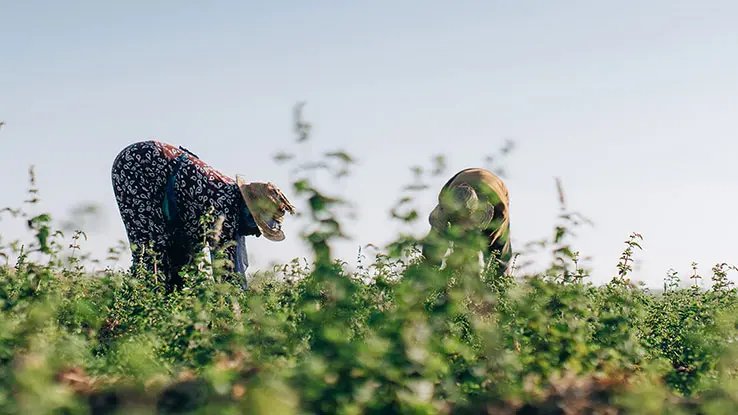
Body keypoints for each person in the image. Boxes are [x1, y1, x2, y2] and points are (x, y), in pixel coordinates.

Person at [111, 140, 295, 289]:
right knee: (151, 251)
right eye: (257, 224)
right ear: (248, 210)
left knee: (182, 261)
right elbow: (229, 276)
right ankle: (137, 306)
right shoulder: (225, 209)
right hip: (137, 168)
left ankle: (169, 313)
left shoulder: (230, 202)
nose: (256, 232)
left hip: (159, 176)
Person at [421, 168, 512, 273]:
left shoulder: (499, 210)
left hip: (496, 187)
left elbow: (487, 242)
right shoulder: (446, 202)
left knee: (499, 255)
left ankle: (500, 286)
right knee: (434, 244)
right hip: (459, 178)